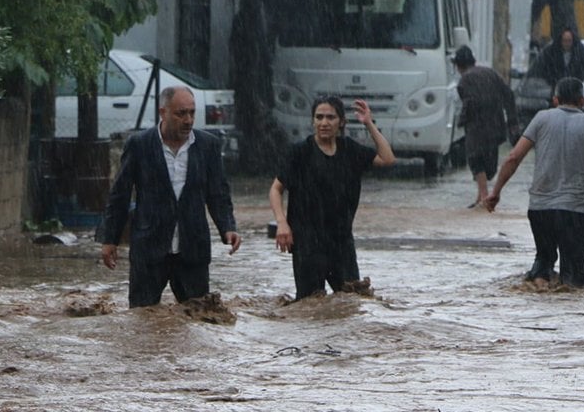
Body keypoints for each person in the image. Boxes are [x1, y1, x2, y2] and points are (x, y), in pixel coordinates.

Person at [485, 77, 584, 287]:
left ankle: (539, 284)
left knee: (543, 261)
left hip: (540, 210)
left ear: (555, 100)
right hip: (574, 213)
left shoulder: (540, 119)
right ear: (582, 101)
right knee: (573, 282)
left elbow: (513, 158)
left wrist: (496, 192)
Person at [100, 86, 242, 307]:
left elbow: (218, 193)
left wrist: (228, 227)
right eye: (181, 113)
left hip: (192, 250)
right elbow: (120, 195)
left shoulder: (208, 146)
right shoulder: (139, 145)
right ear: (163, 112)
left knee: (198, 321)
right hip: (149, 249)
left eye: (192, 113)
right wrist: (110, 239)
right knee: (141, 321)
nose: (188, 120)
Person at [268, 96, 396, 300]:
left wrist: (369, 124)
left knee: (352, 300)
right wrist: (282, 224)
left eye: (330, 117)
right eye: (319, 117)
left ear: (341, 122)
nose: (324, 123)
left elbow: (387, 158)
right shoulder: (300, 152)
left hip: (341, 241)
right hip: (307, 242)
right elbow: (276, 189)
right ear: (313, 121)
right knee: (310, 304)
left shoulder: (350, 150)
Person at [451, 45, 519, 209]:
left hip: (476, 126)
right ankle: (481, 195)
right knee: (488, 162)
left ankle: (483, 197)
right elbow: (508, 94)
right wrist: (512, 121)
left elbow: (470, 102)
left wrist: (462, 120)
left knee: (475, 160)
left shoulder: (464, 80)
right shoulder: (491, 73)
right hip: (496, 125)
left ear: (459, 65)